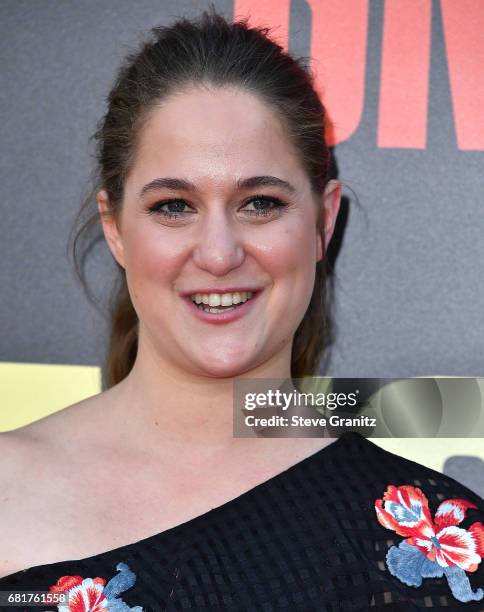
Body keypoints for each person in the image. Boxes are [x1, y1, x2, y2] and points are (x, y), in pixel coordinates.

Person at [0, 8, 482, 611]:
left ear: (322, 223)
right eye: (174, 206)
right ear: (115, 228)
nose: (220, 254)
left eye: (259, 202)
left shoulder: (447, 541)